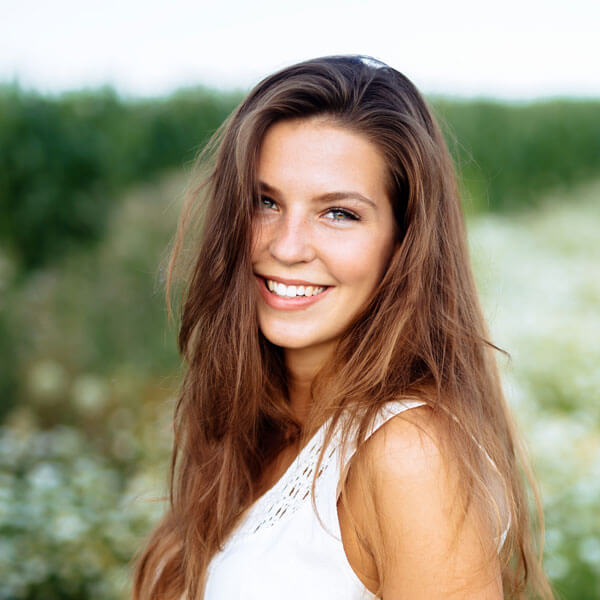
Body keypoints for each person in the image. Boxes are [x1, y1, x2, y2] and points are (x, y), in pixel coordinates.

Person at [132, 55, 553, 599]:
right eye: (265, 202)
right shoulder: (253, 423)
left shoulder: (409, 453)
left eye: (339, 213)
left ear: (404, 245)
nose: (285, 246)